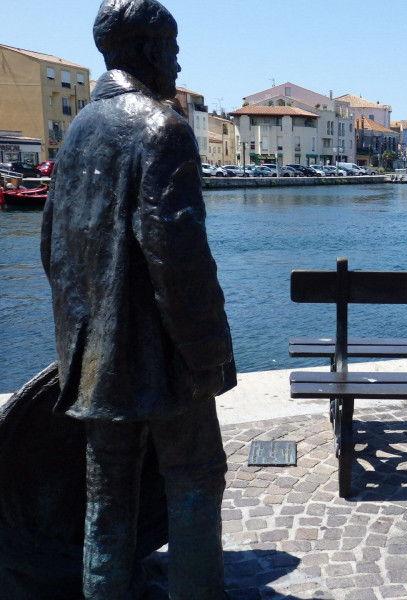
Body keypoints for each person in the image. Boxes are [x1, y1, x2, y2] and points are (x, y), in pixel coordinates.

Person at [40, 1, 234, 598]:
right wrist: (209, 357)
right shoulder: (163, 128)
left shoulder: (76, 133)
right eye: (173, 48)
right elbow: (179, 262)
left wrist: (82, 341)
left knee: (108, 489)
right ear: (149, 50)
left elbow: (53, 248)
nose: (178, 61)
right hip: (164, 361)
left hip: (96, 361)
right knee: (196, 475)